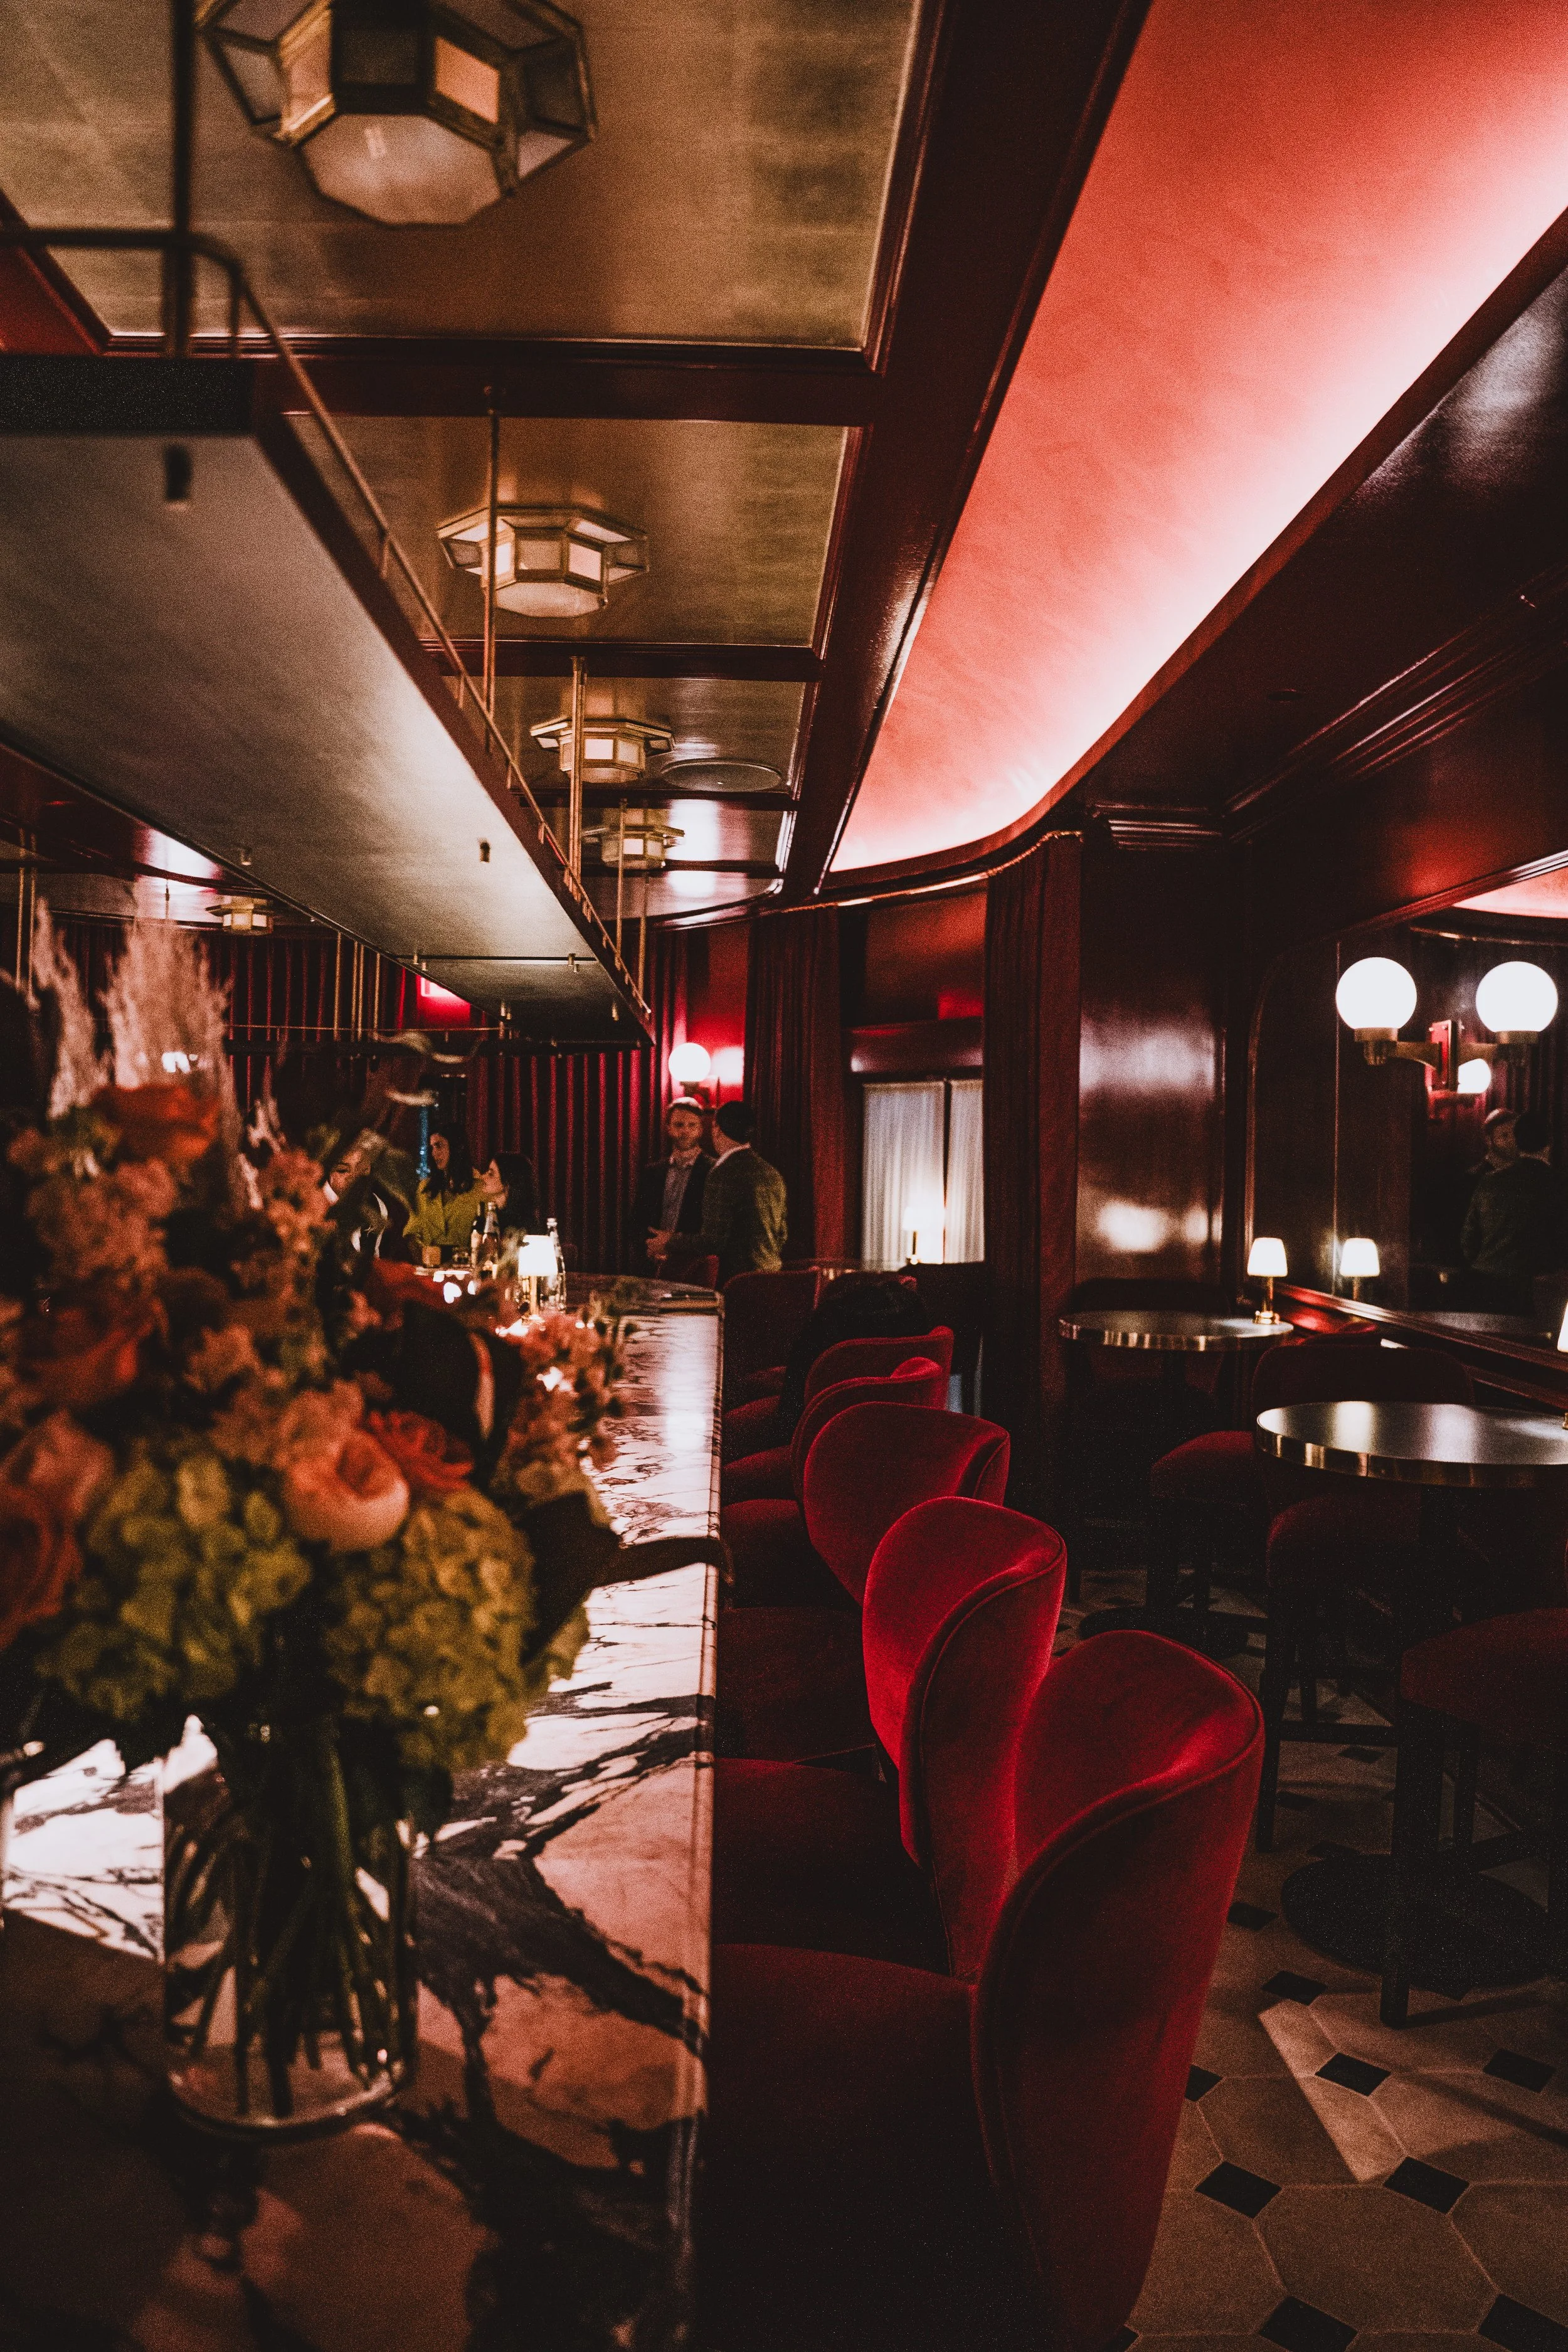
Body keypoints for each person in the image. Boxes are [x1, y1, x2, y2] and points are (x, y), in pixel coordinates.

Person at [1461, 1106, 1563, 1313]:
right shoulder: (1559, 1184)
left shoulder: (1490, 1181)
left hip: (1484, 1281)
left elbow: (1469, 1238)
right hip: (1536, 1288)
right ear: (1549, 1143)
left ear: (1517, 1141)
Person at [699, 1100, 787, 1287]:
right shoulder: (772, 1173)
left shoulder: (722, 1173)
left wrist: (669, 1241)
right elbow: (782, 1233)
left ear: (717, 1130)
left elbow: (712, 1241)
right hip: (772, 1275)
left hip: (736, 1281)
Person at [637, 1098, 714, 1271]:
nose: (685, 1131)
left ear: (701, 1130)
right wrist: (650, 1247)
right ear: (669, 1128)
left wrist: (673, 1246)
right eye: (679, 1125)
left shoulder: (713, 1171)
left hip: (692, 1265)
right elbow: (638, 1219)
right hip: (652, 1263)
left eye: (692, 1126)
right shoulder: (652, 1172)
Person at [405, 1125, 485, 1261]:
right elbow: (412, 1233)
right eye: (432, 1148)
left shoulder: (480, 1188)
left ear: (458, 1147)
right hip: (430, 1265)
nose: (434, 1153)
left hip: (465, 1265)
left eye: (439, 1146)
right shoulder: (425, 1188)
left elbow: (488, 1235)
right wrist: (425, 1260)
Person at [478, 1150, 543, 1234]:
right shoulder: (492, 1215)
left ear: (508, 1182)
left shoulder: (522, 1224)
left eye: (491, 1174)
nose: (483, 1177)